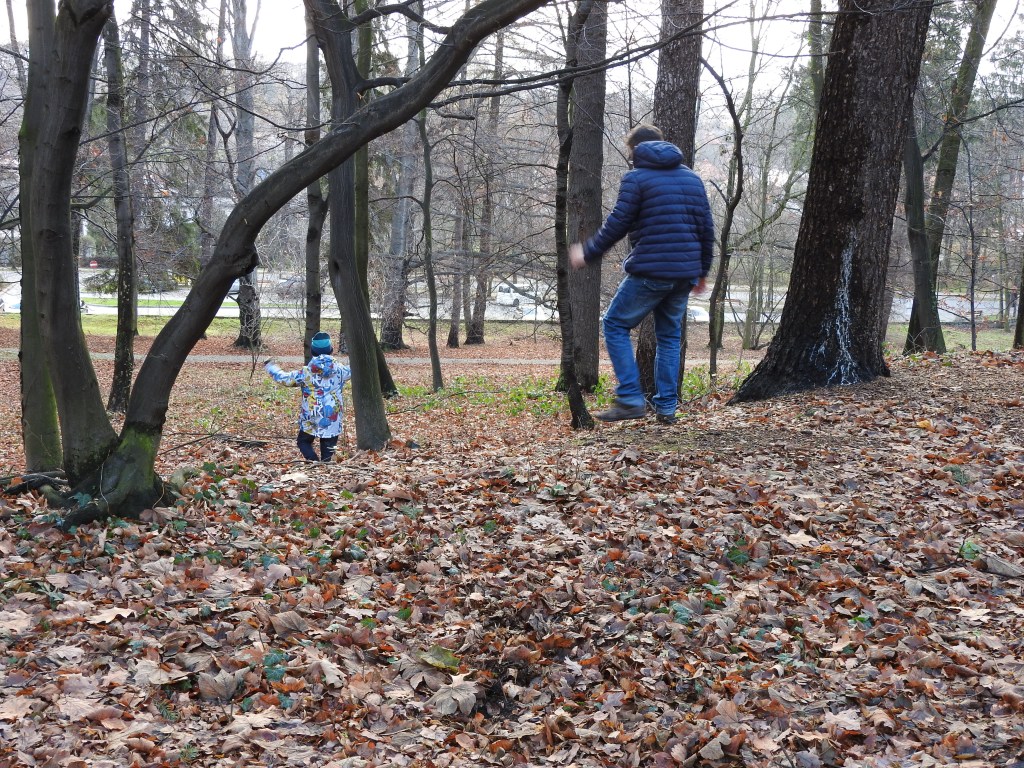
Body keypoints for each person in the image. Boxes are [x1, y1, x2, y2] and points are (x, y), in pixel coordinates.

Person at [569, 123, 714, 425]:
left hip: (651, 269)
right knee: (670, 337)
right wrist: (702, 271)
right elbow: (706, 229)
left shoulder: (636, 179)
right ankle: (666, 408)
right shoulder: (692, 179)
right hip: (684, 274)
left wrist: (589, 251)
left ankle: (631, 398)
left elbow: (618, 223)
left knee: (614, 324)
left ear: (635, 150)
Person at [265, 331, 351, 462]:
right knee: (328, 449)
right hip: (332, 416)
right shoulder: (341, 370)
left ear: (312, 351)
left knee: (303, 442)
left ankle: (313, 463)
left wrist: (270, 367)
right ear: (331, 350)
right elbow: (356, 368)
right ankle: (325, 471)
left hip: (311, 415)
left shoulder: (305, 373)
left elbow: (284, 378)